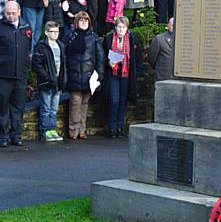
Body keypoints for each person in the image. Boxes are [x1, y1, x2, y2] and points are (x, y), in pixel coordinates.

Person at [63, 12, 104, 140]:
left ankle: (82, 130)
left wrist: (99, 75)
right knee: (75, 103)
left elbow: (100, 57)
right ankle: (73, 130)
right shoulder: (70, 36)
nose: (84, 23)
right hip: (74, 74)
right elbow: (64, 55)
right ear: (76, 22)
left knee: (84, 104)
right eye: (81, 21)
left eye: (86, 21)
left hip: (88, 76)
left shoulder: (94, 38)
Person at [103, 16, 143, 138]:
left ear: (127, 28)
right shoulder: (109, 39)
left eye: (123, 27)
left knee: (122, 102)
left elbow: (138, 58)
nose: (121, 30)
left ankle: (120, 128)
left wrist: (136, 73)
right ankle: (112, 128)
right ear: (115, 28)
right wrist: (108, 62)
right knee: (114, 101)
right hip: (113, 74)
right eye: (119, 27)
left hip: (126, 75)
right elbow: (101, 56)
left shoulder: (132, 39)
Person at [0, 1, 31, 147]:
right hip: (3, 74)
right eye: (7, 13)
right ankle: (2, 136)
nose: (10, 16)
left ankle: (16, 135)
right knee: (2, 107)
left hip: (21, 75)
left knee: (18, 107)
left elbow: (28, 50)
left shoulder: (26, 27)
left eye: (13, 13)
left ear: (19, 11)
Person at [32, 21, 66, 141]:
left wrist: (62, 79)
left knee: (54, 109)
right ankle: (45, 130)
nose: (55, 34)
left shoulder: (61, 45)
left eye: (57, 32)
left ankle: (52, 129)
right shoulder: (41, 46)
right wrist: (46, 76)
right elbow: (36, 64)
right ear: (46, 32)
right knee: (45, 108)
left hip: (57, 82)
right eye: (52, 32)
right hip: (46, 82)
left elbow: (63, 65)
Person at [148, 17, 175, 82]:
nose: (174, 27)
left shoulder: (184, 40)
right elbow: (152, 58)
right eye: (172, 25)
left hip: (178, 78)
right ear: (168, 25)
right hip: (163, 76)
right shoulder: (159, 38)